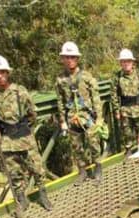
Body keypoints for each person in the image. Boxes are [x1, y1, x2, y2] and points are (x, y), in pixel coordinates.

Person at [0, 54, 53, 212]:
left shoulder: (20, 91)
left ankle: (43, 194)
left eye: (1, 72)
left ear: (7, 73)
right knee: (14, 172)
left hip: (24, 135)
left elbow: (32, 114)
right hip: (6, 138)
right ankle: (21, 199)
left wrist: (25, 128)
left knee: (37, 168)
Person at [55, 41, 105, 182]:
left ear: (77, 59)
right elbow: (60, 101)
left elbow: (96, 98)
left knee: (93, 143)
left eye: (72, 57)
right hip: (72, 117)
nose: (70, 60)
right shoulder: (60, 80)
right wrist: (62, 120)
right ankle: (82, 171)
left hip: (87, 115)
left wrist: (99, 118)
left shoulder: (87, 76)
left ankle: (98, 168)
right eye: (67, 57)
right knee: (76, 147)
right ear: (63, 59)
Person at [111, 49, 139, 157]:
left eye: (128, 61)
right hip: (125, 109)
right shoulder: (117, 77)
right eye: (123, 62)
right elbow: (114, 94)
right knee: (127, 132)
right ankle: (128, 150)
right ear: (121, 63)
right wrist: (116, 110)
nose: (126, 64)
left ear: (132, 62)